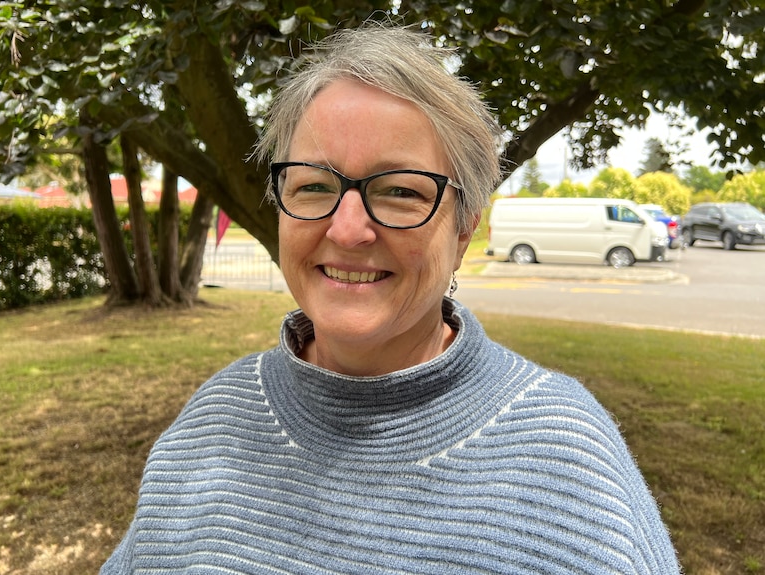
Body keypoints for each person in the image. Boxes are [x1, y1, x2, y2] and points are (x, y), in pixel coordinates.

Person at [101, 24, 680, 574]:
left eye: (401, 190)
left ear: (463, 231)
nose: (348, 229)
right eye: (315, 185)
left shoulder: (565, 459)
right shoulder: (215, 415)